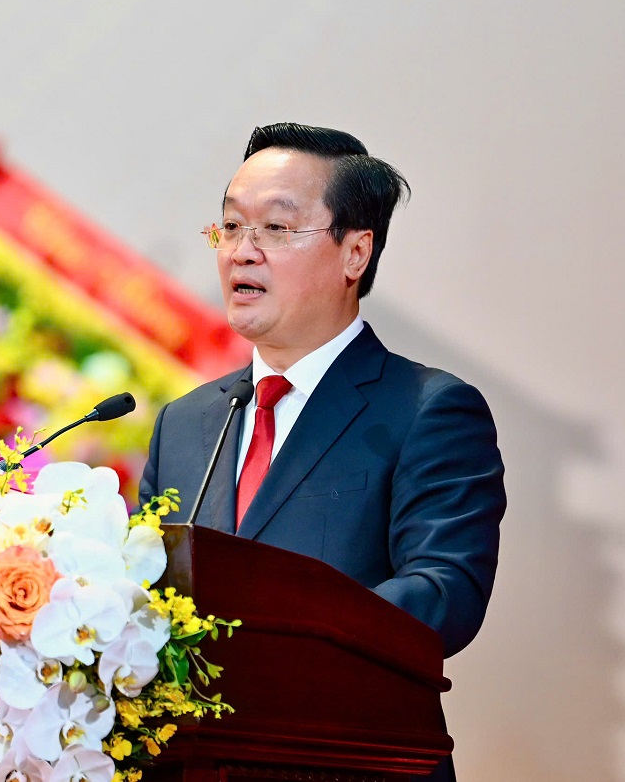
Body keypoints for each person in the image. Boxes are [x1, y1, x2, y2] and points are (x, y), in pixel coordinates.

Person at [139, 122, 505, 782]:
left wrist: (273, 642)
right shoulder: (186, 423)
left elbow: (445, 593)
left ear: (354, 253)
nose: (241, 252)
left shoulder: (427, 409)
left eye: (276, 229)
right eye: (231, 226)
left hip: (349, 764)